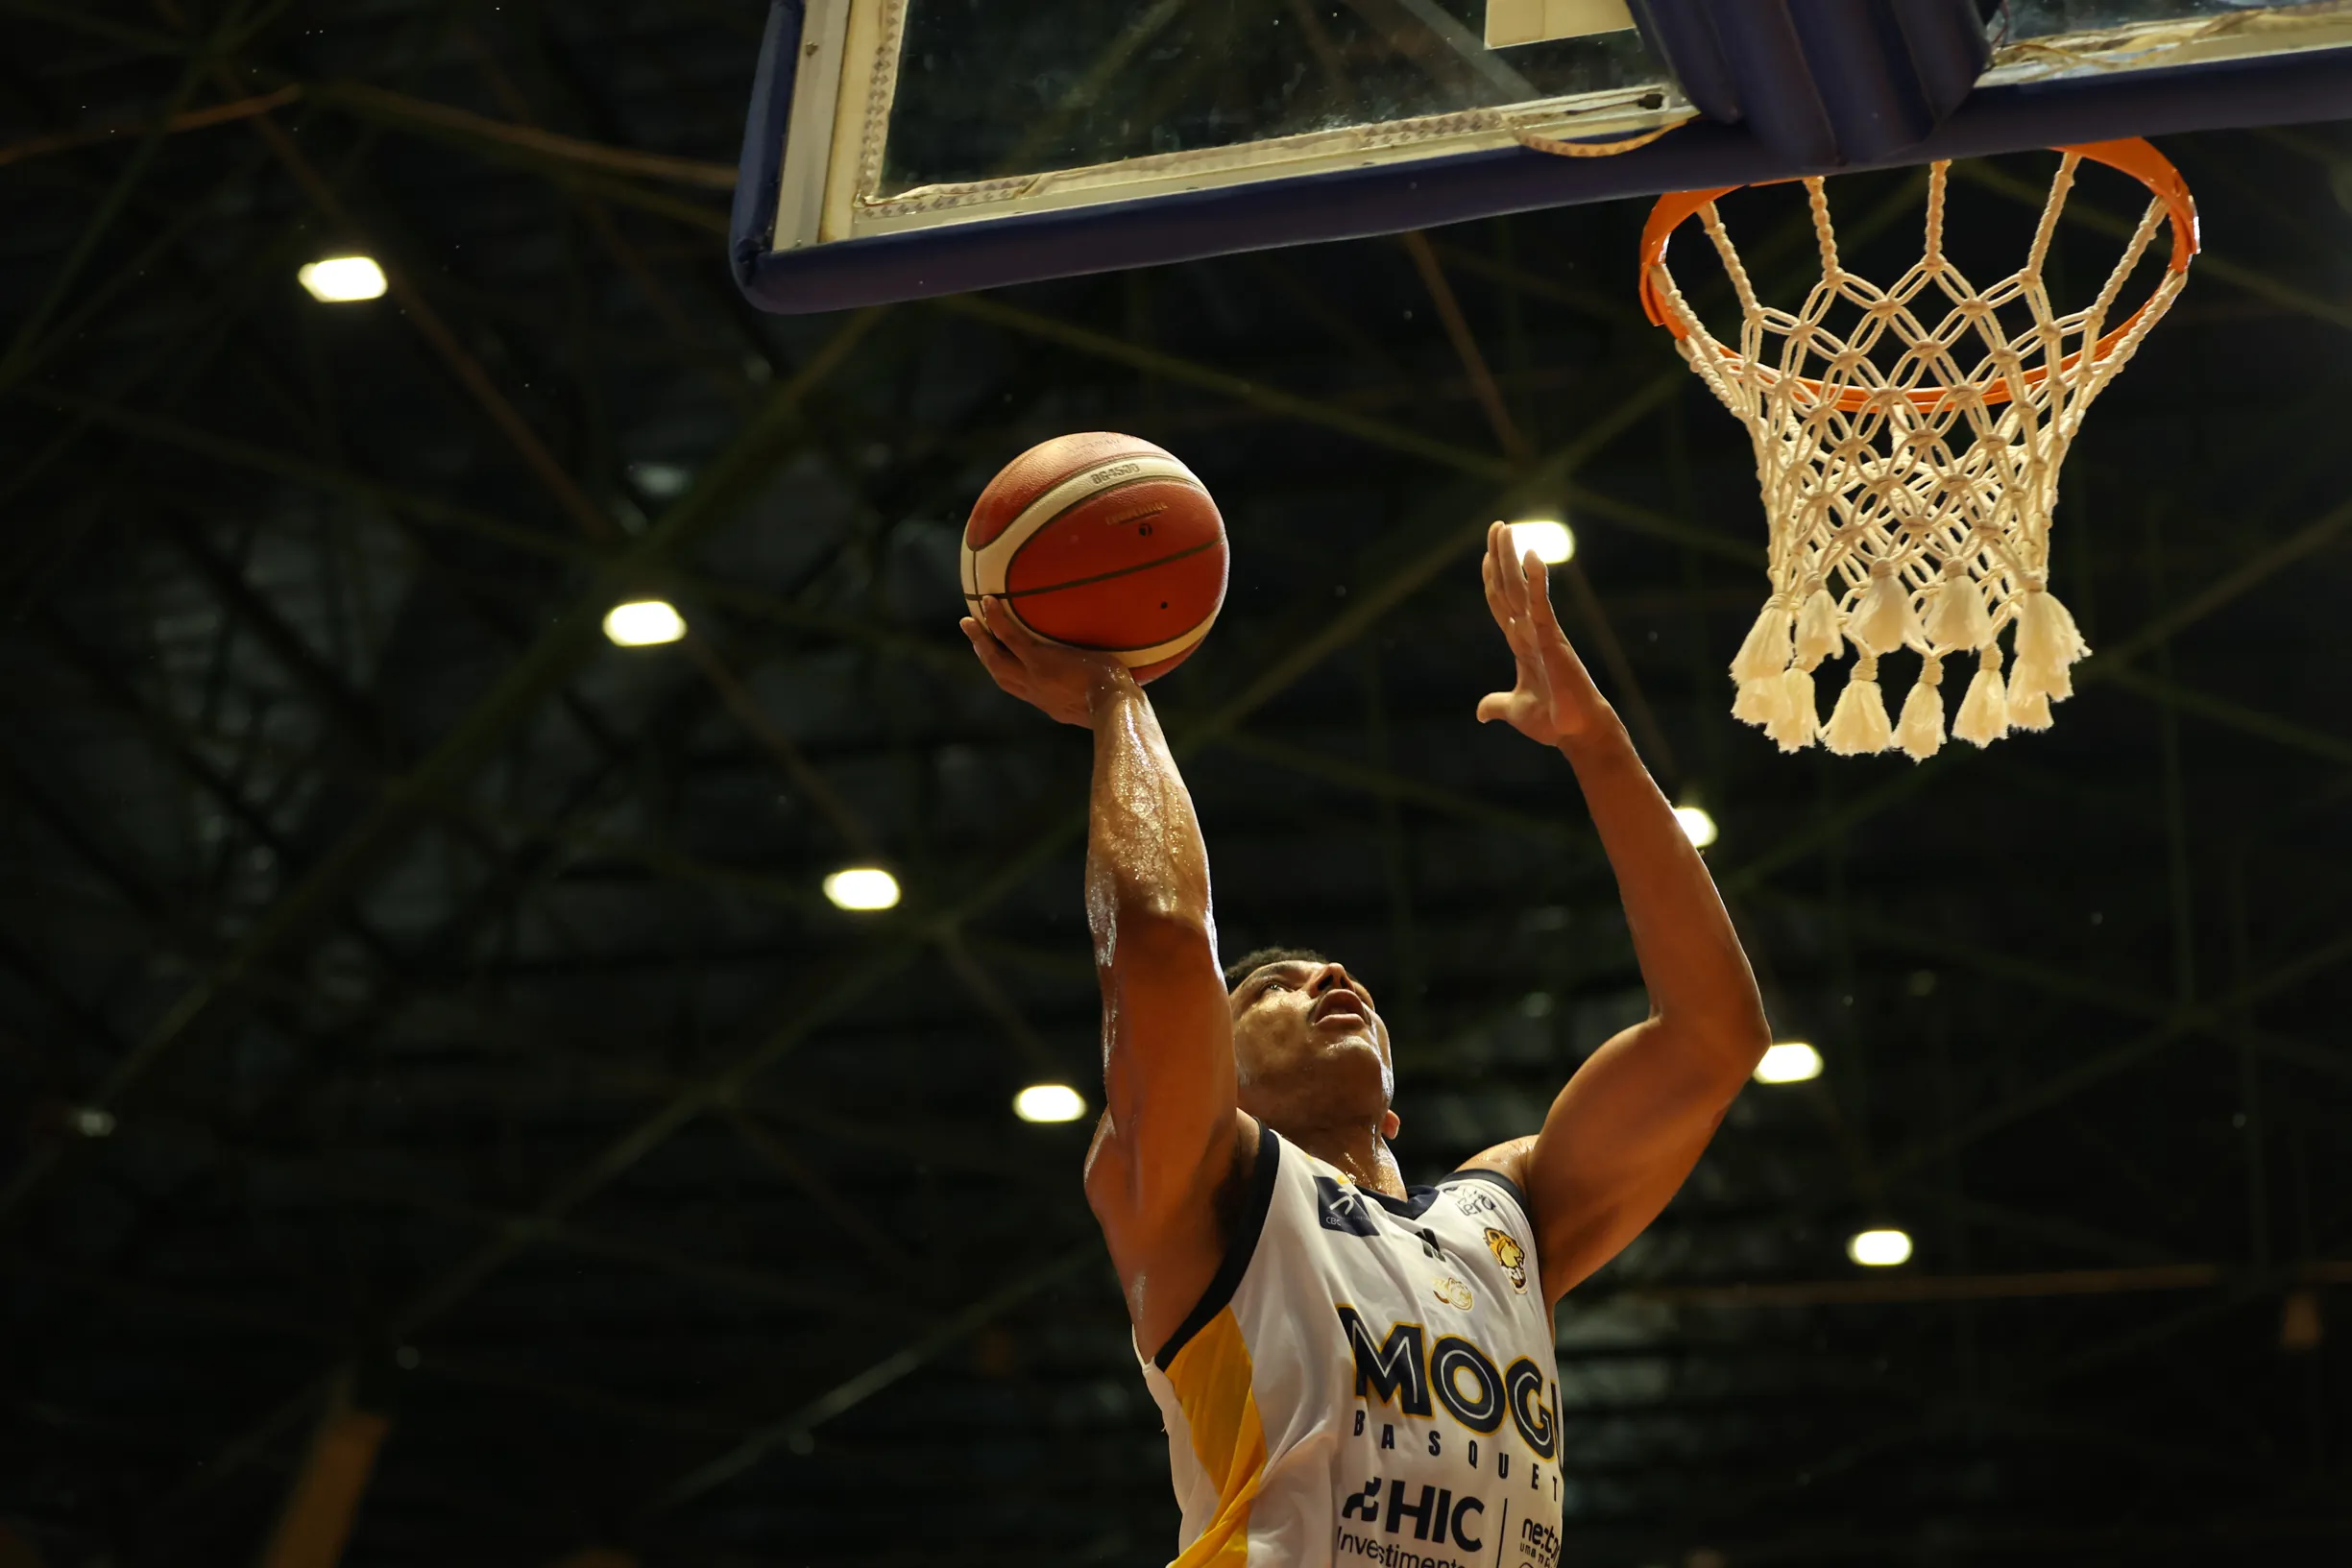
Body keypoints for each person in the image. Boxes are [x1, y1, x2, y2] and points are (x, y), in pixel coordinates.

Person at [959, 522, 1770, 1568]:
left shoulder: (1506, 1217)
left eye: (1345, 981)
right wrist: (1118, 696)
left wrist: (1594, 741)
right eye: (1274, 988)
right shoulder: (1202, 1181)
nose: (1330, 980)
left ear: (1393, 1104)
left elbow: (1715, 1037)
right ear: (1218, 1073)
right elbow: (1159, 939)